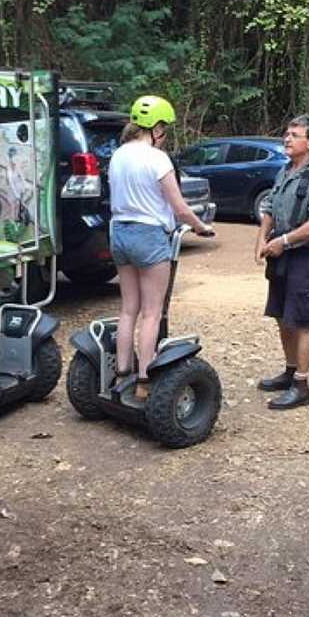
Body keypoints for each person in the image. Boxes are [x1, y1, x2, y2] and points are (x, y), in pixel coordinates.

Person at [109, 95, 213, 401]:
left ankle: (121, 374)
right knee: (152, 313)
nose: (164, 134)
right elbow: (179, 207)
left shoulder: (118, 155)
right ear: (155, 129)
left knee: (128, 309)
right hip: (149, 235)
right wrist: (201, 226)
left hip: (118, 232)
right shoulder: (157, 158)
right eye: (164, 128)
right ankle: (144, 380)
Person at [254, 114, 309, 410]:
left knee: (301, 321)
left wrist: (284, 241)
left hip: (306, 257)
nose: (286, 139)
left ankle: (301, 386)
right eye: (286, 133)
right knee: (281, 315)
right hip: (280, 254)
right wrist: (262, 238)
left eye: (294, 135)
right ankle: (290, 371)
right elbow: (269, 207)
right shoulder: (286, 170)